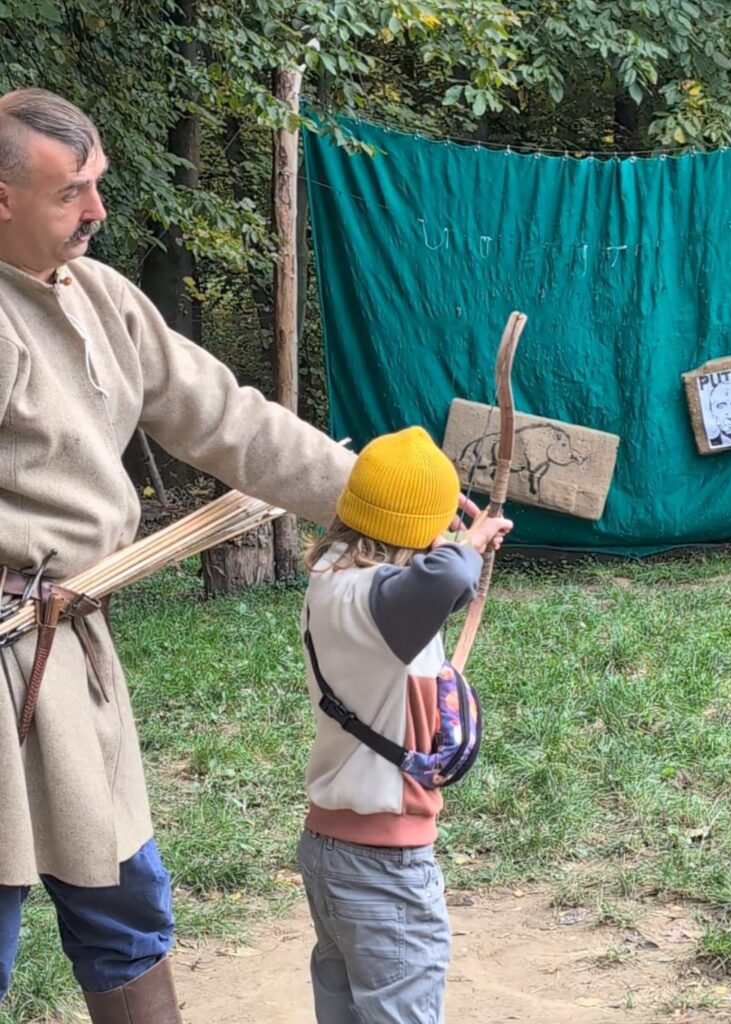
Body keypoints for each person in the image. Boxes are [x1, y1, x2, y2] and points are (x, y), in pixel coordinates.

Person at [0, 87, 363, 1020]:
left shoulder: (104, 298)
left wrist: (368, 493)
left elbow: (228, 418)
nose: (99, 211)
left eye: (99, 184)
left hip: (63, 650)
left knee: (124, 903)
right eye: (72, 192)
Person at [296, 426, 512, 1024]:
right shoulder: (385, 603)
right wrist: (466, 540)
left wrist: (456, 537)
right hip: (383, 868)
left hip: (327, 852)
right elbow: (447, 578)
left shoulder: (333, 579)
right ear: (420, 530)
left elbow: (433, 577)